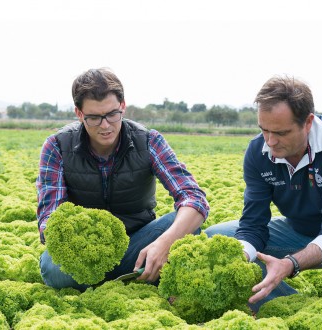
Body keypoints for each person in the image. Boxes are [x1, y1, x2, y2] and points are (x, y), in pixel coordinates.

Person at [205, 75, 322, 312]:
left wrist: (290, 263)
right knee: (220, 242)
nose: (270, 142)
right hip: (303, 229)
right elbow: (253, 225)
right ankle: (294, 305)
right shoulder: (258, 152)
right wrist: (239, 258)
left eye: (281, 133)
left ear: (307, 123)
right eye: (264, 130)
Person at [37, 68, 209, 291]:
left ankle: (122, 274)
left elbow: (193, 197)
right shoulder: (58, 146)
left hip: (139, 241)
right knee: (54, 271)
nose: (105, 125)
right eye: (94, 118)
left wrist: (165, 243)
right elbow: (49, 216)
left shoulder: (148, 141)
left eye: (112, 114)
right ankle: (132, 276)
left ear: (123, 106)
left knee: (184, 226)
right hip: (85, 253)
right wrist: (81, 244)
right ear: (79, 114)